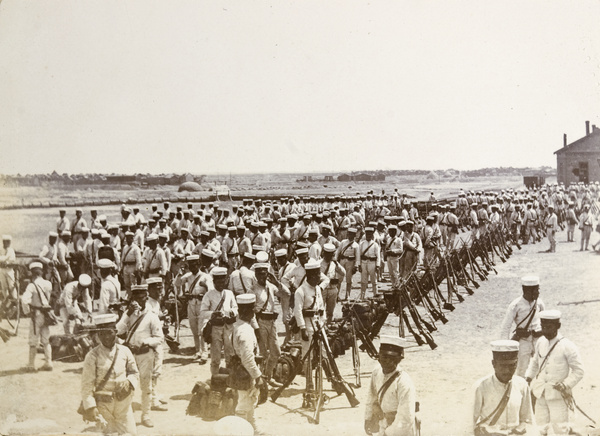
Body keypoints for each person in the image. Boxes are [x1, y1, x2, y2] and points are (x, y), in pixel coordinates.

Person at [525, 310, 584, 435]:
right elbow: (535, 362)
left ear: (558, 326)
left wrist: (566, 384)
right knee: (540, 429)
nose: (545, 330)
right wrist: (528, 378)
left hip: (558, 396)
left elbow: (579, 371)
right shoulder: (540, 342)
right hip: (540, 393)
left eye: (549, 327)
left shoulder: (567, 346)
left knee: (560, 430)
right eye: (543, 326)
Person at [81, 313, 139, 435]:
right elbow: (87, 385)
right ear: (97, 335)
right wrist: (91, 407)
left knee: (131, 433)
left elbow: (134, 372)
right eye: (101, 334)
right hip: (103, 405)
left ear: (115, 331)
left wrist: (129, 382)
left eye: (109, 332)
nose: (106, 337)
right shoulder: (92, 356)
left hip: (123, 404)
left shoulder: (125, 351)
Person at [116, 284, 164, 428]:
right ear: (132, 299)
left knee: (146, 386)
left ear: (146, 298)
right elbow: (117, 331)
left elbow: (159, 338)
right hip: (130, 355)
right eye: (136, 298)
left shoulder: (151, 316)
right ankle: (126, 414)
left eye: (142, 298)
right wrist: (127, 315)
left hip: (145, 354)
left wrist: (146, 342)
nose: (139, 301)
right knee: (127, 386)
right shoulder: (128, 314)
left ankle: (146, 415)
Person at [472, 340, 535, 435]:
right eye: (502, 366)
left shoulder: (522, 385)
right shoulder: (481, 386)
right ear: (494, 364)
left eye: (511, 366)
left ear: (516, 363)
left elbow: (527, 420)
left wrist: (520, 429)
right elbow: (469, 423)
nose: (507, 371)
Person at [364, 335, 417, 436]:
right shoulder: (376, 372)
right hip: (382, 425)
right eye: (383, 358)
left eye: (392, 359)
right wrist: (368, 418)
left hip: (400, 430)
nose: (386, 362)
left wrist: (389, 433)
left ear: (398, 360)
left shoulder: (403, 382)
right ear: (379, 358)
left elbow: (406, 417)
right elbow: (371, 397)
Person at [499, 275, 545, 377]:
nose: (538, 293)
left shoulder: (540, 303)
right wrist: (505, 348)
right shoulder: (515, 305)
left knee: (541, 367)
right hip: (524, 341)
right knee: (522, 369)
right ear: (527, 291)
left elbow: (544, 321)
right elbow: (505, 327)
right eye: (536, 290)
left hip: (538, 340)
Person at [232, 293, 265, 433]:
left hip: (243, 369)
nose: (254, 312)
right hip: (246, 371)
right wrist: (258, 376)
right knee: (244, 403)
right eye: (252, 309)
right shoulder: (245, 331)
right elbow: (247, 358)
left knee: (251, 401)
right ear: (247, 311)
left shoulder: (239, 325)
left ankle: (254, 430)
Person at [201, 267, 237, 376]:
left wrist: (232, 312)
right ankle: (215, 378)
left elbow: (235, 308)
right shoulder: (209, 295)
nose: (221, 284)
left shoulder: (229, 293)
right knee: (215, 357)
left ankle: (230, 378)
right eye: (218, 282)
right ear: (214, 282)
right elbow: (202, 312)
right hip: (216, 328)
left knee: (230, 355)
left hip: (228, 327)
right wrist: (213, 314)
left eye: (223, 282)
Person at [251, 262, 282, 384]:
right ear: (256, 275)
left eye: (264, 274)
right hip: (260, 322)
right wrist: (256, 328)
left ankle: (268, 376)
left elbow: (286, 294)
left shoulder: (271, 286)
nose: (262, 277)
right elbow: (251, 311)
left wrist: (276, 281)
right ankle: (262, 381)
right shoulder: (253, 289)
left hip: (272, 322)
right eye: (259, 274)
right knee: (262, 353)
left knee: (276, 352)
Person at [20, 262, 54, 372]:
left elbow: (24, 300)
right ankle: (49, 363)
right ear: (41, 272)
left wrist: (27, 312)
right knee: (46, 340)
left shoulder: (31, 285)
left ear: (32, 273)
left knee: (33, 341)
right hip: (46, 314)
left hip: (36, 314)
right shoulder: (48, 284)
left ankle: (31, 365)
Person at [181, 254, 214, 363]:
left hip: (202, 304)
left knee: (202, 329)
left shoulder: (205, 276)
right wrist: (179, 275)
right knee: (194, 328)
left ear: (199, 264)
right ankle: (197, 350)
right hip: (191, 303)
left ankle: (204, 352)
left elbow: (211, 291)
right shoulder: (188, 276)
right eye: (190, 265)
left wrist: (205, 286)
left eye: (195, 265)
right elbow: (177, 284)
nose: (193, 267)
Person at [360, 227, 381, 299]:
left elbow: (378, 256)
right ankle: (362, 296)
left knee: (374, 281)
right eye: (367, 234)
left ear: (372, 235)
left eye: (370, 234)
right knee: (363, 281)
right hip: (364, 263)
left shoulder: (375, 244)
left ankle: (375, 295)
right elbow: (359, 255)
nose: (368, 236)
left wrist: (378, 265)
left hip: (372, 263)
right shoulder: (362, 244)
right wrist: (359, 265)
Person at [0, 235, 16, 301]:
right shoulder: (1, 250)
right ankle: (6, 301)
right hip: (2, 269)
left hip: (9, 270)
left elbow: (7, 259)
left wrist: (4, 260)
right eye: (5, 242)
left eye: (8, 242)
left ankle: (15, 300)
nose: (6, 243)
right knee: (4, 287)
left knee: (12, 285)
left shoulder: (10, 250)